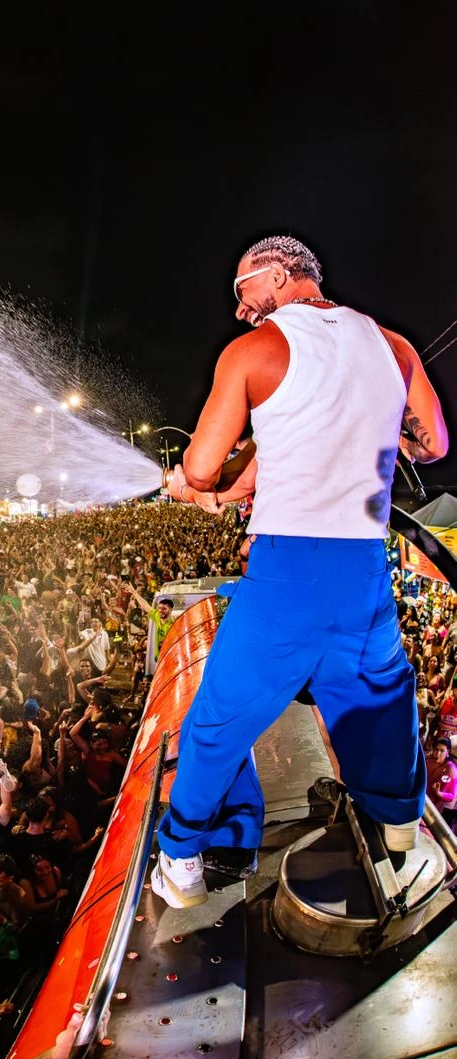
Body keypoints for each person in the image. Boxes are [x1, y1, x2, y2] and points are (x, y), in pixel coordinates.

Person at [153, 231, 448, 908]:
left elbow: (201, 468)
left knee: (221, 713)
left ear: (280, 274)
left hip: (290, 568)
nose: (238, 309)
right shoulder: (393, 346)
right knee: (379, 696)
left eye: (242, 290)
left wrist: (188, 486)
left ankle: (183, 859)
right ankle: (401, 826)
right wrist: (378, 431)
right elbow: (433, 443)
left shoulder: (252, 351)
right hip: (365, 566)